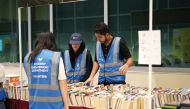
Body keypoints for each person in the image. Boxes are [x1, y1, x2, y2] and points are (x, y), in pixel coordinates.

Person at [24, 32, 69, 109]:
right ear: (52, 43)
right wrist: (66, 105)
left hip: (35, 105)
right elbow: (62, 82)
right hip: (54, 105)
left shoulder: (28, 57)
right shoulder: (55, 57)